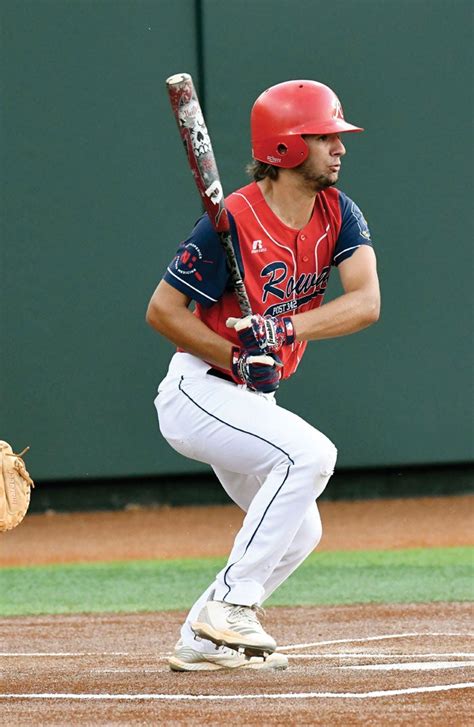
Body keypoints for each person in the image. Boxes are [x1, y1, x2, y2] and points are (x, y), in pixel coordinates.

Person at [146, 79, 380, 672]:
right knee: (310, 456)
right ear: (286, 146)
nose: (340, 147)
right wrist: (231, 353)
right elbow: (162, 312)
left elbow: (366, 303)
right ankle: (230, 604)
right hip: (199, 391)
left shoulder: (339, 213)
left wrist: (283, 331)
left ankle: (202, 641)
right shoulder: (231, 219)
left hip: (253, 404)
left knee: (301, 532)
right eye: (325, 135)